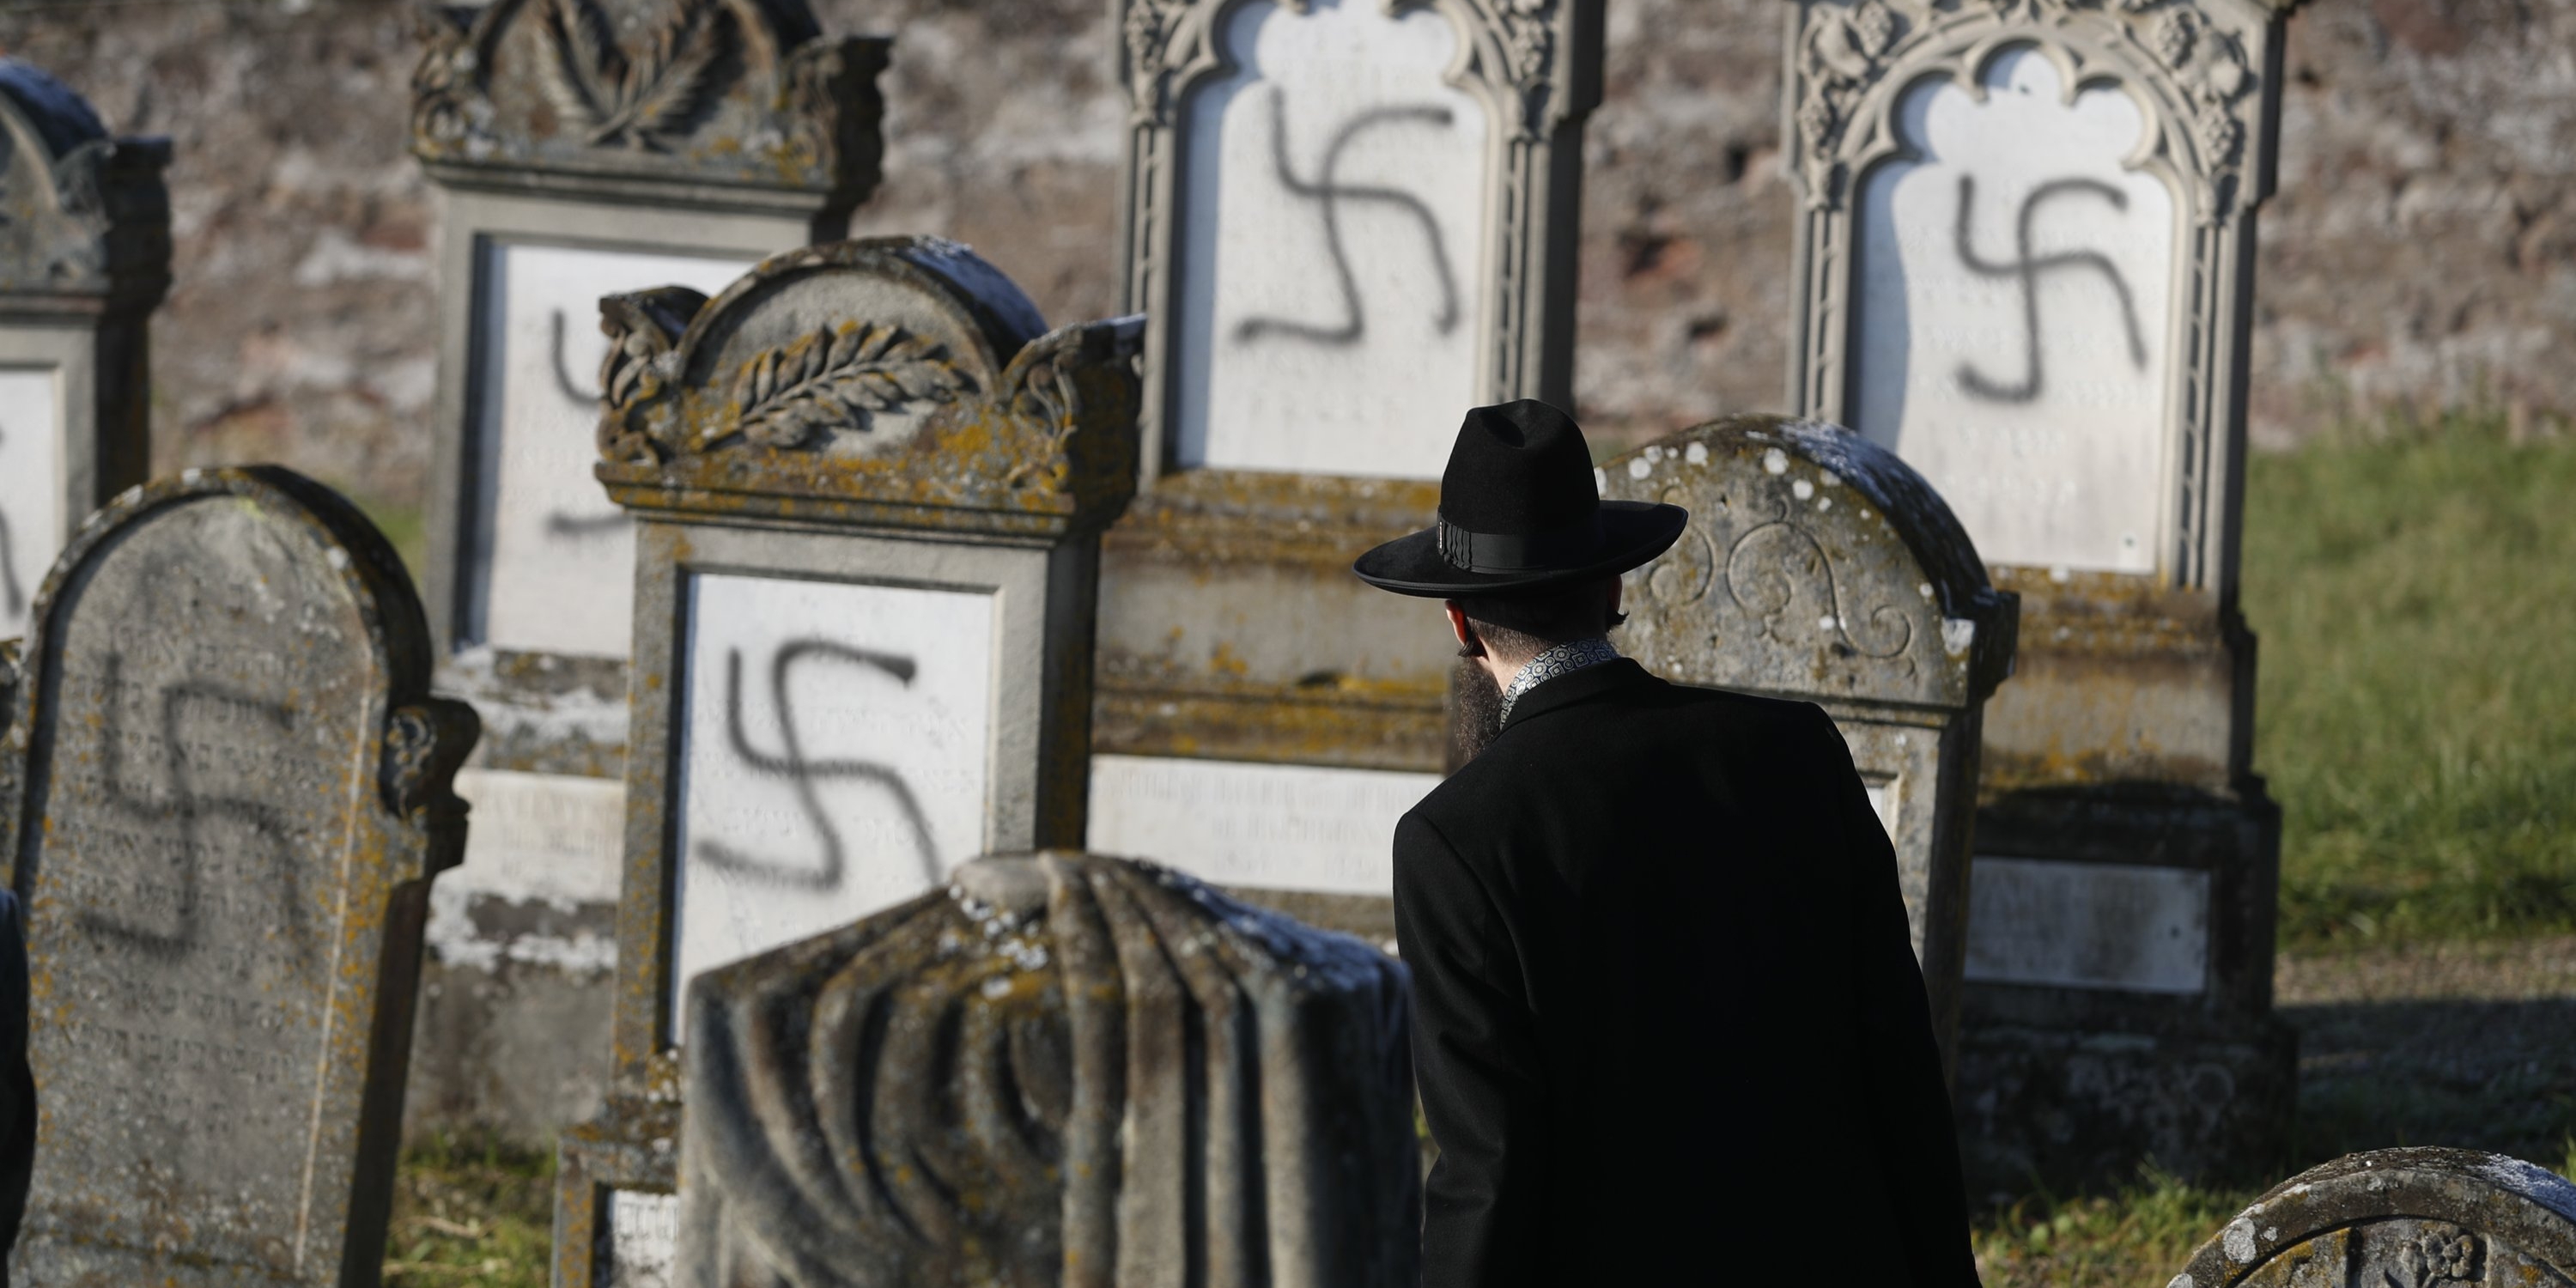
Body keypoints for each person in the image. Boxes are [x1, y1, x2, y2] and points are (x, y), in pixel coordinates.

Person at [1354, 400, 1980, 1287]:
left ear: (1458, 621)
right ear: (1614, 588)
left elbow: (1490, 1165)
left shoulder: (1454, 840)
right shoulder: (1794, 749)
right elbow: (1899, 1065)